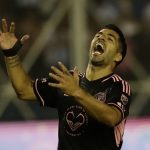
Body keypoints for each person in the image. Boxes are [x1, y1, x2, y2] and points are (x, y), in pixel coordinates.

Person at [0, 18, 131, 150]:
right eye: (98, 35)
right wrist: (11, 55)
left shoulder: (118, 85)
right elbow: (24, 90)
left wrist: (77, 92)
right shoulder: (68, 80)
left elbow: (111, 118)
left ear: (118, 56)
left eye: (110, 39)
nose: (101, 38)